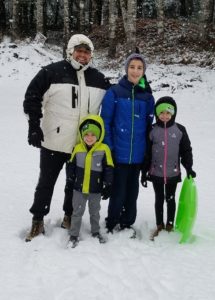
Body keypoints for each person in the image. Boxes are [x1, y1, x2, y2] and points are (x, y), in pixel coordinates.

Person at [23, 34, 110, 242]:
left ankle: (69, 216)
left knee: (75, 185)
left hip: (81, 145)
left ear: (91, 55)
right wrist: (34, 126)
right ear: (70, 51)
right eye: (79, 51)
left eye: (86, 52)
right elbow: (32, 97)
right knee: (46, 182)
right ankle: (37, 219)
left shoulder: (98, 79)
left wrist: (140, 85)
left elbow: (120, 97)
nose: (82, 55)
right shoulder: (51, 72)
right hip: (54, 141)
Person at [100, 53, 155, 233]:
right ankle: (112, 221)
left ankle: (127, 223)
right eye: (132, 67)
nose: (135, 71)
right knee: (118, 190)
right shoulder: (114, 92)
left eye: (140, 68)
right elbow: (105, 122)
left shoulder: (147, 96)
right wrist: (110, 148)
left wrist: (147, 152)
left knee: (133, 192)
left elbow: (148, 126)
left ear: (143, 71)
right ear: (126, 69)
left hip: (138, 154)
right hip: (118, 152)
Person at [141, 96, 196, 238]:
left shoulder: (179, 130)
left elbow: (186, 151)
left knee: (170, 199)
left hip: (173, 172)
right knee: (159, 199)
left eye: (168, 113)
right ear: (157, 114)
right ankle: (160, 225)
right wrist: (144, 172)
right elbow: (146, 153)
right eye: (161, 113)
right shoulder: (152, 130)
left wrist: (188, 167)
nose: (164, 116)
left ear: (173, 113)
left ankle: (170, 224)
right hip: (156, 172)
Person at [66, 115, 114, 247]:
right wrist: (70, 178)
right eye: (86, 134)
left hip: (95, 189)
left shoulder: (104, 149)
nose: (89, 137)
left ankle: (95, 231)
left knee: (94, 212)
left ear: (99, 135)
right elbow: (71, 165)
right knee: (77, 212)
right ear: (82, 135)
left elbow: (109, 168)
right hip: (79, 188)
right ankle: (74, 234)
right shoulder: (77, 148)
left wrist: (107, 184)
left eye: (93, 134)